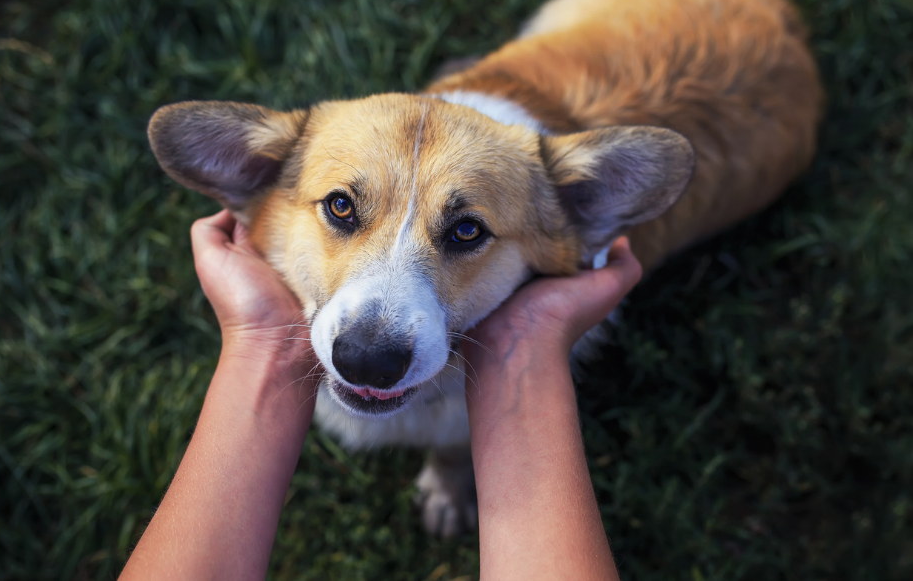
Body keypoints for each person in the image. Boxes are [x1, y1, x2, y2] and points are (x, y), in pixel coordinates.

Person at [119, 209, 642, 581]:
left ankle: (450, 466)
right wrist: (265, 341)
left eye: (466, 231)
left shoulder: (538, 197)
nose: (368, 350)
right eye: (343, 209)